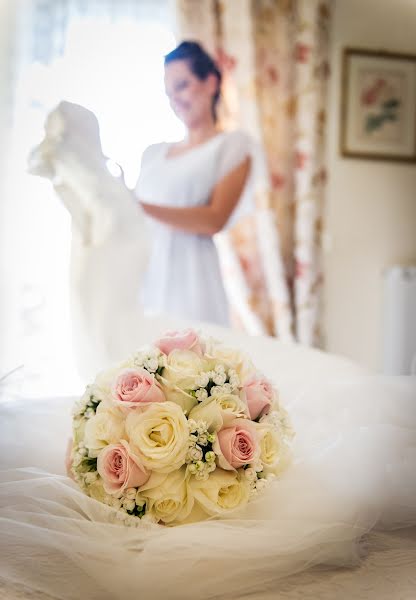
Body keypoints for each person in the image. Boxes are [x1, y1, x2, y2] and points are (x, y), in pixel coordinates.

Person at [135, 41, 255, 326]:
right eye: (169, 92)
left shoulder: (232, 147)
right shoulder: (153, 154)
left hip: (193, 282)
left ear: (211, 83)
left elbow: (215, 218)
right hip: (146, 277)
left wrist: (139, 207)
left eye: (182, 85)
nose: (175, 98)